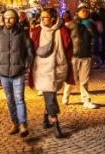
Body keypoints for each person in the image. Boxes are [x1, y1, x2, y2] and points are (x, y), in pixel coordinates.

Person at [0, 9, 34, 137]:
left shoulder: (22, 34)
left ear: (16, 19)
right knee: (10, 100)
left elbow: (30, 52)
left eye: (11, 17)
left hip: (18, 72)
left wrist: (26, 65)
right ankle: (15, 122)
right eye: (6, 17)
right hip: (3, 73)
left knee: (19, 99)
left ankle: (23, 124)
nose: (8, 20)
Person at [28, 8, 74, 138]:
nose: (42, 20)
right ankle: (55, 124)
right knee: (50, 95)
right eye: (41, 17)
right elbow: (31, 48)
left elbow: (69, 47)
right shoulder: (37, 31)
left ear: (53, 18)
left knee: (50, 94)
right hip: (42, 69)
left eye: (45, 17)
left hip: (58, 67)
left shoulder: (63, 30)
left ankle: (45, 119)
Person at [63, 3, 100, 109]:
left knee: (84, 80)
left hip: (87, 55)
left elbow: (96, 39)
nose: (84, 12)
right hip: (74, 56)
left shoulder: (91, 24)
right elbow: (65, 39)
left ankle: (86, 100)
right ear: (77, 12)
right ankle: (66, 95)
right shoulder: (71, 24)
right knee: (71, 79)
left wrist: (95, 53)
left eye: (86, 10)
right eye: (82, 10)